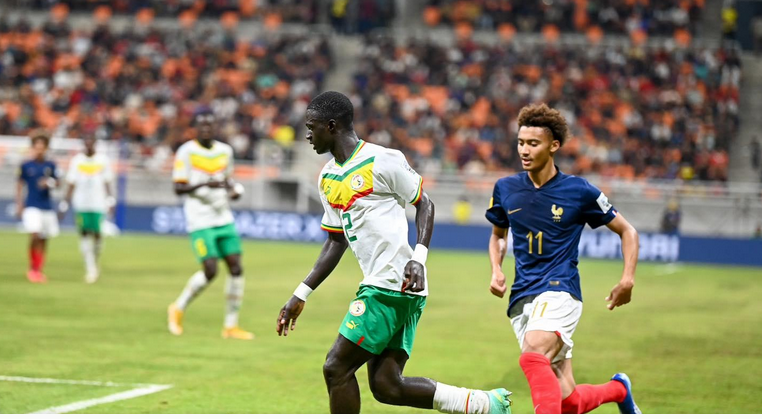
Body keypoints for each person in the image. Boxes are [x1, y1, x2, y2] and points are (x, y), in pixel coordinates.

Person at [276, 91, 512, 414]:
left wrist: (419, 258)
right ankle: (485, 405)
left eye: (311, 127)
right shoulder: (327, 178)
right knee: (388, 386)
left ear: (331, 126)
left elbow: (424, 204)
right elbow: (336, 241)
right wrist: (300, 293)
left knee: (336, 368)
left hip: (391, 282)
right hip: (396, 286)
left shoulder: (382, 160)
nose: (307, 134)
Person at [485, 104, 641, 414]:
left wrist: (627, 279)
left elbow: (627, 231)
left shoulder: (579, 191)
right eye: (520, 142)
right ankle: (619, 390)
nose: (524, 150)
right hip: (522, 295)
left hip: (560, 288)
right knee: (568, 400)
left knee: (532, 353)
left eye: (533, 143)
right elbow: (498, 235)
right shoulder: (505, 188)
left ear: (554, 145)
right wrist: (496, 270)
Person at [167, 112, 253, 340]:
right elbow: (178, 188)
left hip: (223, 217)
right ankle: (178, 307)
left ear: (215, 127)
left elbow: (228, 181)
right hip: (199, 220)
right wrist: (206, 183)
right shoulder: (186, 151)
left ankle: (231, 326)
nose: (206, 129)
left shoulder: (225, 151)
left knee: (236, 268)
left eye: (210, 125)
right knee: (211, 270)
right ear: (195, 128)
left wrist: (232, 191)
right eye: (202, 125)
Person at [58, 136, 115, 283]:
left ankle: (94, 261)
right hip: (81, 203)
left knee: (97, 234)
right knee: (84, 233)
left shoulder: (103, 160)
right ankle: (91, 269)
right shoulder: (77, 160)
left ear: (95, 143)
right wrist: (65, 204)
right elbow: (71, 183)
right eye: (86, 142)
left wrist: (110, 200)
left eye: (91, 142)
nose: (89, 145)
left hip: (98, 203)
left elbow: (107, 181)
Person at [16, 130, 60, 283]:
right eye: (37, 146)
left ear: (46, 148)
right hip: (31, 205)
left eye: (42, 146)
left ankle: (39, 268)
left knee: (44, 238)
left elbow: (58, 182)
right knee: (35, 235)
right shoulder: (26, 165)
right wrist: (19, 203)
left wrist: (49, 183)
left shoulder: (51, 165)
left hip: (46, 206)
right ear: (33, 147)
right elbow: (20, 184)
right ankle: (33, 269)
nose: (39, 149)